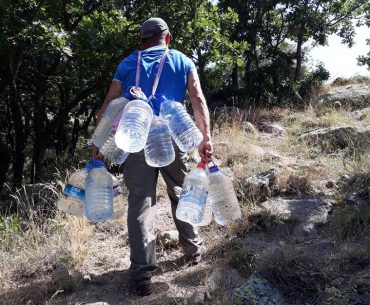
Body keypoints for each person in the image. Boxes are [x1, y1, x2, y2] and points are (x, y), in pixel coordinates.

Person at [92, 17, 213, 296]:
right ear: (167, 38)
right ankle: (192, 250)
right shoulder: (182, 60)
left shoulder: (127, 63)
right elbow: (197, 98)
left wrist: (98, 142)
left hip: (134, 136)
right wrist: (205, 138)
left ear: (142, 42)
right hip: (173, 133)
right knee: (182, 192)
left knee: (140, 203)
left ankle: (141, 275)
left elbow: (109, 102)